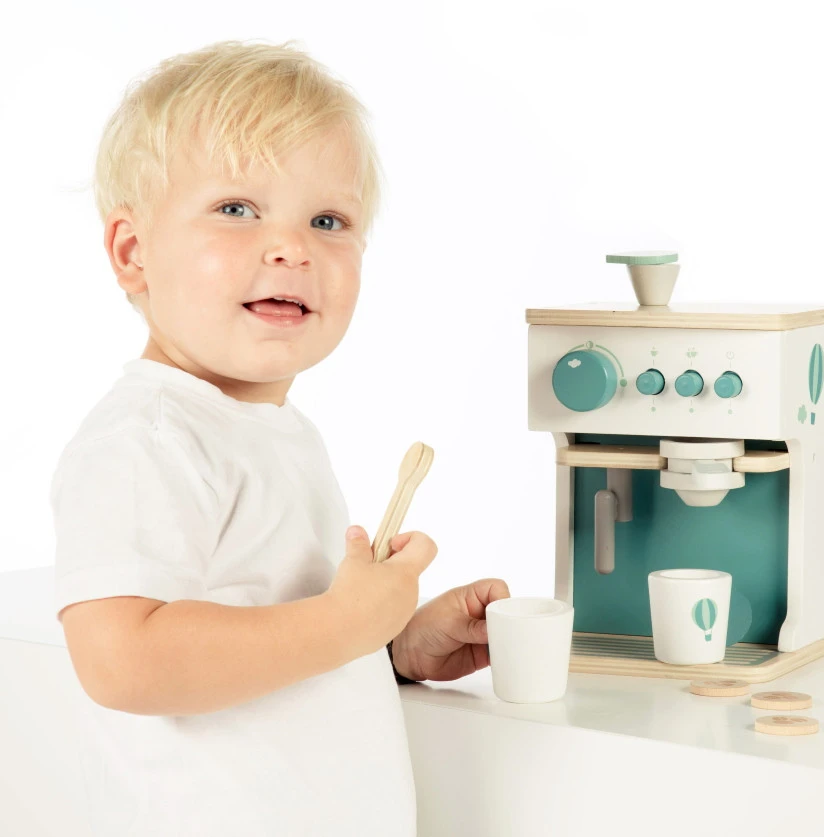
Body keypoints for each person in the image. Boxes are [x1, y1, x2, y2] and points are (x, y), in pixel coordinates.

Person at [50, 38, 511, 836]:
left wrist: (389, 646)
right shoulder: (145, 438)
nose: (292, 246)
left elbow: (269, 637)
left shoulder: (279, 434)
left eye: (328, 220)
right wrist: (345, 624)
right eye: (237, 208)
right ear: (133, 252)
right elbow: (123, 660)